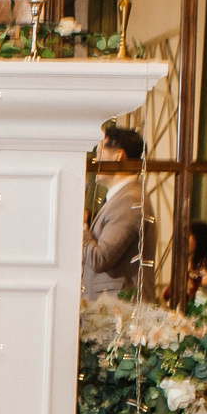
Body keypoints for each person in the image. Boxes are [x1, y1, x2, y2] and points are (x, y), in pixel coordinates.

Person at [82, 125, 152, 301]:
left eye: (100, 152)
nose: (96, 160)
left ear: (118, 156)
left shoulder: (129, 201)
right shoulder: (121, 197)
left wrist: (81, 226)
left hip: (116, 306)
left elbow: (100, 259)